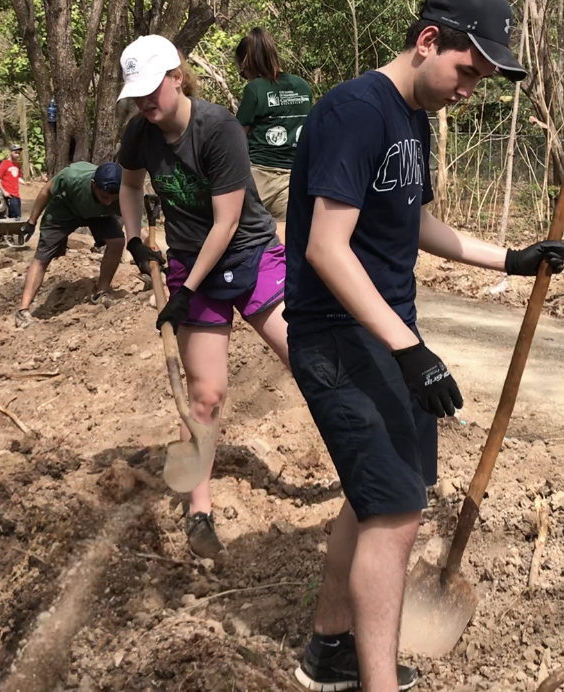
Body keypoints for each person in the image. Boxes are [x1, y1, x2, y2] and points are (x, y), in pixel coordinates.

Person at [284, 1, 563, 690]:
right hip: (340, 338)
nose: (469, 90)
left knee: (375, 495)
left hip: (381, 331)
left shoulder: (412, 118)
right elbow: (325, 247)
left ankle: (329, 650)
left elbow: (415, 221)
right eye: (467, 70)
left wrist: (510, 259)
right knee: (396, 512)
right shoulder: (355, 111)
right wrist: (409, 349)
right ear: (428, 40)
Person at [116, 34, 290, 559]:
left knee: (308, 358)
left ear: (177, 76)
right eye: (137, 93)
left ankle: (365, 474)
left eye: (154, 88)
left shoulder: (217, 128)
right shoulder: (138, 134)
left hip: (249, 256)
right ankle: (199, 511)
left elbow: (228, 220)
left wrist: (182, 291)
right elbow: (128, 187)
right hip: (192, 262)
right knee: (206, 394)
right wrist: (132, 242)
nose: (146, 101)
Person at [15, 161, 124, 328]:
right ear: (93, 185)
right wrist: (31, 221)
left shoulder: (122, 193)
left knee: (117, 241)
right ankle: (22, 311)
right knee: (43, 257)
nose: (109, 202)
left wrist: (146, 250)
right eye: (104, 197)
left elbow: (139, 225)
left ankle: (100, 293)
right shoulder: (72, 176)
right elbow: (45, 190)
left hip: (98, 215)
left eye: (113, 199)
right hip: (63, 210)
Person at [234, 27, 311, 224]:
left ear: (246, 63)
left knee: (243, 233)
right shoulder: (302, 86)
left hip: (258, 174)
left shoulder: (255, 88)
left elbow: (237, 137)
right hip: (292, 177)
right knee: (284, 238)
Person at [0, 144, 23, 219]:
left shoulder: (16, 164)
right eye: (16, 152)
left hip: (16, 194)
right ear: (11, 152)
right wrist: (4, 192)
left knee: (14, 216)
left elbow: (17, 177)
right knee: (17, 216)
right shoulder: (4, 164)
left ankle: (11, 230)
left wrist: (25, 183)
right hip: (9, 194)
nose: (17, 155)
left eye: (19, 153)